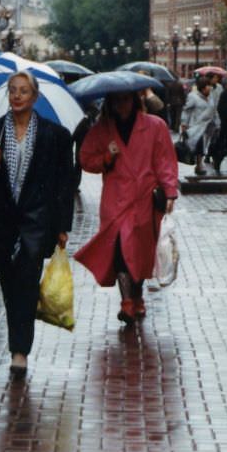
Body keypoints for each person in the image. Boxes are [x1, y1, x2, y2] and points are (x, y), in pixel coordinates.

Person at [0, 71, 74, 378]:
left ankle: (20, 351)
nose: (17, 96)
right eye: (13, 90)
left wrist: (62, 225)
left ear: (35, 96)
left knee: (27, 283)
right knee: (9, 285)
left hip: (36, 221)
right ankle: (18, 341)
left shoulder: (54, 135)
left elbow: (64, 183)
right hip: (1, 221)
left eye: (24, 91)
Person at [75, 91, 178, 324]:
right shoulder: (102, 130)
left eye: (125, 99)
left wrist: (170, 191)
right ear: (109, 103)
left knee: (140, 252)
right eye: (116, 100)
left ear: (134, 100)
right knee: (121, 248)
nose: (121, 105)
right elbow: (85, 159)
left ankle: (137, 296)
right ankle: (127, 302)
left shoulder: (155, 126)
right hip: (116, 200)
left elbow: (165, 161)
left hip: (145, 199)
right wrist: (106, 157)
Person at [180, 76, 219, 176]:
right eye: (207, 86)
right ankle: (199, 165)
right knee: (199, 145)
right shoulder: (193, 97)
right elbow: (186, 110)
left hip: (209, 126)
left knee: (206, 144)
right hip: (196, 126)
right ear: (202, 87)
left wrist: (218, 123)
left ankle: (201, 163)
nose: (209, 88)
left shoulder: (211, 97)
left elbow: (214, 110)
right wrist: (184, 123)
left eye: (210, 85)